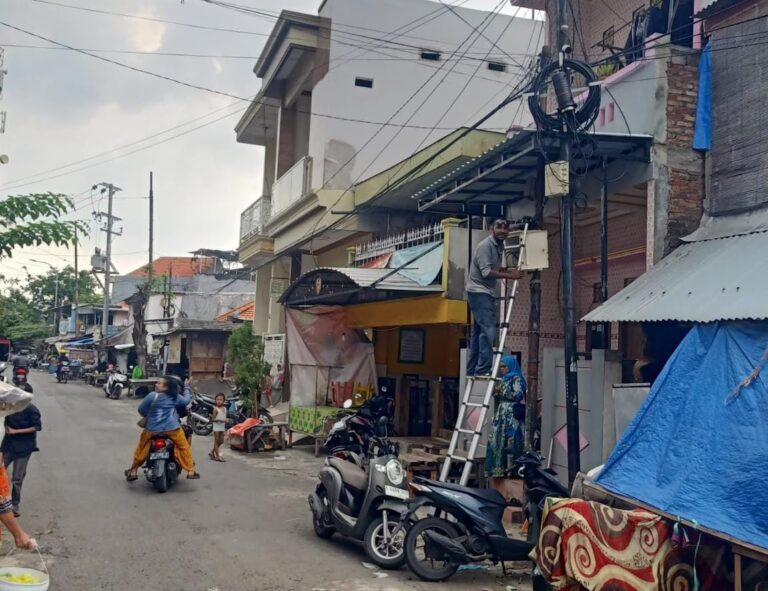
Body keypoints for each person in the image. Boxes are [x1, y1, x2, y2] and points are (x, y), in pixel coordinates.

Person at [465, 218, 524, 377]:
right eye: (499, 227)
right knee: (489, 330)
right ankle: (483, 369)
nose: (502, 231)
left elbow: (495, 268)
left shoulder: (499, 245)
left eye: (505, 228)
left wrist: (511, 271)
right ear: (492, 228)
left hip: (484, 291)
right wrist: (511, 276)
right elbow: (486, 272)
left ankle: (473, 369)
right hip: (479, 291)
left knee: (479, 332)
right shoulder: (485, 246)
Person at [125, 376, 200, 481]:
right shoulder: (175, 397)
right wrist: (187, 387)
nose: (156, 384)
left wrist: (150, 416)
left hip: (152, 429)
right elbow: (186, 401)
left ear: (166, 387)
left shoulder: (152, 396)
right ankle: (190, 471)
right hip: (172, 429)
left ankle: (133, 471)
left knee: (141, 448)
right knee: (184, 447)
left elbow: (141, 409)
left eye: (159, 383)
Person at [485, 355, 527, 479]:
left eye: (504, 366)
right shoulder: (504, 379)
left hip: (511, 415)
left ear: (510, 366)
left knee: (512, 442)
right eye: (501, 367)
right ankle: (498, 470)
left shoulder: (516, 379)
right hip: (501, 414)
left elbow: (518, 396)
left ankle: (514, 472)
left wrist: (502, 391)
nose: (502, 369)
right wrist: (495, 392)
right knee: (497, 440)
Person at [1, 403, 41, 517]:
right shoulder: (10, 407)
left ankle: (14, 505)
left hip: (24, 448)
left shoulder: (32, 409)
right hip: (8, 446)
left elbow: (37, 427)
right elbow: (6, 422)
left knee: (17, 479)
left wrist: (16, 431)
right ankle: (2, 501)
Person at [209, 393, 227, 462]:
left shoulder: (225, 408)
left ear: (224, 401)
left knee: (221, 441)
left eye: (220, 400)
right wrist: (220, 420)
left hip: (222, 427)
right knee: (216, 441)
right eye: (217, 400)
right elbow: (212, 419)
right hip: (216, 427)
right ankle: (217, 456)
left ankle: (212, 452)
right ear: (215, 401)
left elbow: (223, 417)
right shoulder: (215, 409)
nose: (219, 401)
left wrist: (225, 420)